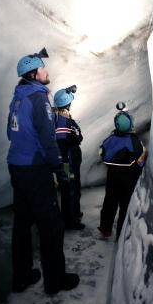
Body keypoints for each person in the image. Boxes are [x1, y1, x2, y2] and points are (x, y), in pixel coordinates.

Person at [6, 48, 79, 294]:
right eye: (43, 68)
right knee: (51, 226)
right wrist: (58, 168)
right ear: (34, 74)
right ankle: (55, 281)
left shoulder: (18, 97)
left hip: (16, 165)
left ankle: (22, 276)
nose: (47, 71)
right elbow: (48, 138)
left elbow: (10, 133)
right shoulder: (38, 98)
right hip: (35, 169)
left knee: (23, 223)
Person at [98, 102, 148, 240]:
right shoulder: (134, 141)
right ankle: (121, 233)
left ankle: (105, 228)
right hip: (129, 178)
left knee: (109, 202)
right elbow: (141, 160)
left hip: (112, 176)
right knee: (125, 205)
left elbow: (101, 153)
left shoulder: (110, 139)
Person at [54, 86, 85, 231]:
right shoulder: (62, 123)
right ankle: (71, 220)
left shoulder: (62, 119)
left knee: (72, 188)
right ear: (67, 104)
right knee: (70, 189)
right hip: (68, 164)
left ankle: (74, 213)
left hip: (70, 162)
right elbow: (67, 141)